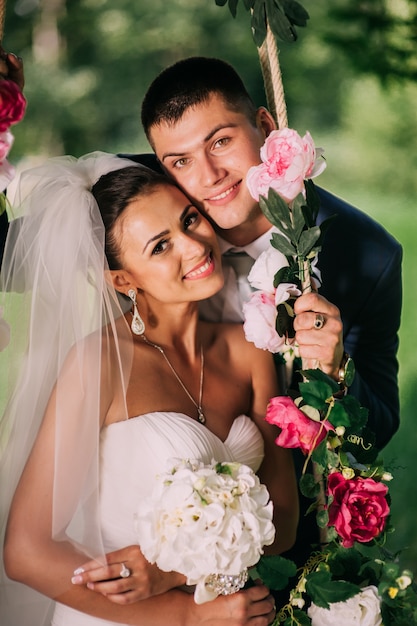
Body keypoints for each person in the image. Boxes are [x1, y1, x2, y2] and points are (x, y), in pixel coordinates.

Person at [0, 153, 298, 625]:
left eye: (190, 220)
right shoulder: (97, 364)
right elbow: (26, 551)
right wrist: (185, 615)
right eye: (160, 247)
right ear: (122, 280)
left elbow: (282, 519)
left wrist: (176, 567)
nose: (195, 246)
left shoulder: (249, 351)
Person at [138, 56, 402, 452]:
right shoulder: (134, 205)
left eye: (221, 142)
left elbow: (375, 434)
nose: (209, 176)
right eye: (181, 162)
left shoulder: (368, 255)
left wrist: (336, 370)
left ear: (264, 128)